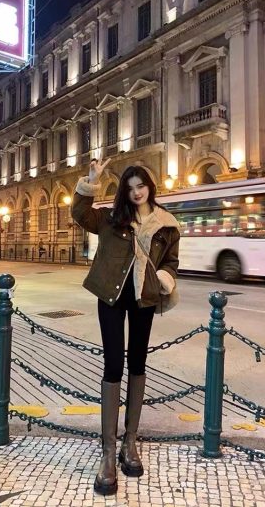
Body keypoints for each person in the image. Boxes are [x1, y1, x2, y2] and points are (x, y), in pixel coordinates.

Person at [72, 159, 180, 496]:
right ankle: (108, 450)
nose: (136, 193)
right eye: (130, 188)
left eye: (140, 186)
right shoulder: (111, 218)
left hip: (144, 297)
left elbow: (171, 261)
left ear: (149, 187)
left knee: (137, 363)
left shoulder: (166, 224)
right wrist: (91, 181)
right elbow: (79, 214)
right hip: (111, 296)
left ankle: (129, 442)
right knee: (113, 364)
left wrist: (164, 279)